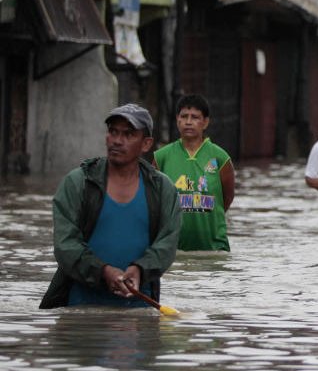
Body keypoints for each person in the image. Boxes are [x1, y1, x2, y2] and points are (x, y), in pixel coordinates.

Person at [40, 104, 181, 309]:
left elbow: (167, 245)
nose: (117, 140)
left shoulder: (162, 189)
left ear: (146, 144)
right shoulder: (79, 183)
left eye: (128, 134)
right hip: (80, 311)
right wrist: (103, 271)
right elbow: (65, 245)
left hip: (139, 314)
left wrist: (140, 269)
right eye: (113, 132)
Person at [153, 94, 236, 251]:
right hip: (173, 250)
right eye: (184, 116)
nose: (188, 122)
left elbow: (227, 198)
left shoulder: (220, 157)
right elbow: (153, 199)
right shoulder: (161, 156)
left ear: (205, 122)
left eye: (195, 117)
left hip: (214, 249)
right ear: (177, 119)